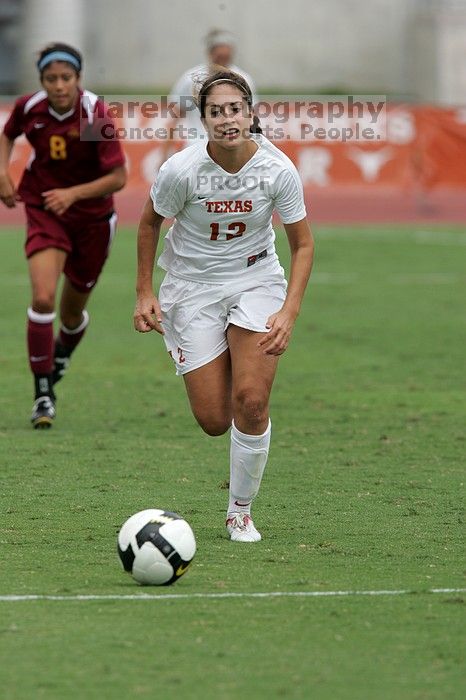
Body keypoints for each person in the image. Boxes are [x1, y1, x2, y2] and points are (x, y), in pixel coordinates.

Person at [134, 70, 314, 543]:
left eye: (235, 109)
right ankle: (233, 365)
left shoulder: (278, 170)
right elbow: (149, 224)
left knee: (251, 403)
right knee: (215, 420)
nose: (227, 118)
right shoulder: (181, 170)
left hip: (256, 281)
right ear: (204, 119)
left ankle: (240, 512)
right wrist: (144, 292)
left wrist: (289, 311)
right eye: (217, 111)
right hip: (192, 287)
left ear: (251, 113)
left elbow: (303, 245)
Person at [0, 42, 127, 428]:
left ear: (78, 79)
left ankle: (63, 351)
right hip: (44, 209)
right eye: (51, 78)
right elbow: (8, 135)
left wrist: (72, 193)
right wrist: (3, 172)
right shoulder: (29, 107)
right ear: (42, 80)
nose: (59, 86)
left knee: (71, 315)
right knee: (42, 297)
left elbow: (118, 178)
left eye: (66, 78)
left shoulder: (95, 112)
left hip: (92, 219)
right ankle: (43, 394)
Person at [162, 29, 256, 154]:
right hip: (195, 147)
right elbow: (175, 117)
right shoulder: (191, 79)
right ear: (210, 53)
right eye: (219, 57)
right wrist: (164, 153)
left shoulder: (244, 80)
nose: (222, 62)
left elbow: (251, 118)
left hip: (230, 148)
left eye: (226, 57)